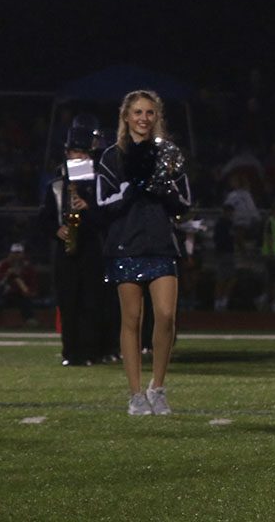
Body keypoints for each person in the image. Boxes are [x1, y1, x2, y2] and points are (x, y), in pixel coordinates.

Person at [97, 89, 191, 416]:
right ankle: (135, 394)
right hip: (126, 245)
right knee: (132, 320)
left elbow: (185, 203)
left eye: (149, 113)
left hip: (161, 243)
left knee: (166, 316)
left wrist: (164, 191)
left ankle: (158, 387)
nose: (143, 118)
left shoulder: (167, 154)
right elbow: (102, 204)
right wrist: (130, 190)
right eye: (137, 112)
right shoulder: (112, 156)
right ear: (126, 117)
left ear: (157, 117)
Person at [39, 126, 106, 366]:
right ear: (67, 153)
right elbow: (44, 218)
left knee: (90, 301)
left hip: (91, 247)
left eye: (82, 153)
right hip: (66, 248)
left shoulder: (99, 183)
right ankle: (70, 352)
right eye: (74, 152)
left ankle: (89, 352)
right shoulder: (56, 184)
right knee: (68, 302)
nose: (78, 157)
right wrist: (57, 230)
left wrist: (88, 207)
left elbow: (107, 218)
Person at [0, 243, 38, 326]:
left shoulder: (27, 266)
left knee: (25, 300)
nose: (16, 255)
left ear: (23, 254)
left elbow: (33, 282)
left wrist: (30, 291)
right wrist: (6, 274)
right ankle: (0, 323)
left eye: (19, 253)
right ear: (10, 253)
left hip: (23, 294)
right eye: (14, 253)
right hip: (7, 294)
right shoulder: (4, 264)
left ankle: (30, 320)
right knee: (12, 299)